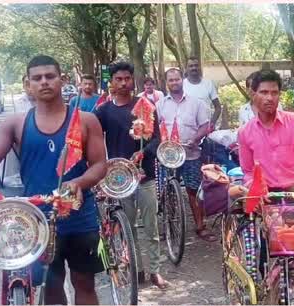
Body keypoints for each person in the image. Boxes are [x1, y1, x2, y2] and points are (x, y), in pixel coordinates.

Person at [0, 55, 107, 305]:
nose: (44, 82)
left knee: (84, 284)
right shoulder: (16, 123)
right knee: (51, 286)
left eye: (50, 76)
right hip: (35, 221)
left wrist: (79, 183)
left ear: (62, 80)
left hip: (80, 218)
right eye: (37, 78)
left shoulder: (86, 121)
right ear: (27, 84)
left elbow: (100, 165)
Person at [95, 61, 167, 290]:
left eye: (127, 78)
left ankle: (155, 271)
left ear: (133, 80)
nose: (124, 83)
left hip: (145, 176)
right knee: (127, 228)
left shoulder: (145, 106)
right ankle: (137, 270)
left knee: (151, 227)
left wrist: (143, 151)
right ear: (112, 82)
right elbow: (94, 139)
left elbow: (157, 139)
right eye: (119, 79)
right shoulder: (104, 111)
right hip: (119, 179)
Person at [237, 69, 294, 193]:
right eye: (264, 92)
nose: (270, 98)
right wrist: (253, 186)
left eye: (274, 93)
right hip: (266, 197)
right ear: (253, 95)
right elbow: (248, 172)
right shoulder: (244, 132)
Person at [155, 67, 214, 242]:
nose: (174, 82)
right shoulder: (160, 105)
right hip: (168, 156)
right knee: (167, 191)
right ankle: (168, 224)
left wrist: (196, 139)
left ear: (183, 79)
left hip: (191, 154)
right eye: (171, 80)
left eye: (177, 79)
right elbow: (153, 129)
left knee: (193, 191)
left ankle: (200, 226)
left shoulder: (196, 103)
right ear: (166, 83)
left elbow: (205, 125)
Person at [183, 56, 222, 130]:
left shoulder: (208, 83)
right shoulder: (182, 85)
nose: (194, 68)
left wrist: (212, 122)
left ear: (200, 67)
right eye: (191, 66)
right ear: (186, 68)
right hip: (188, 129)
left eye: (196, 65)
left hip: (206, 128)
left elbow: (218, 107)